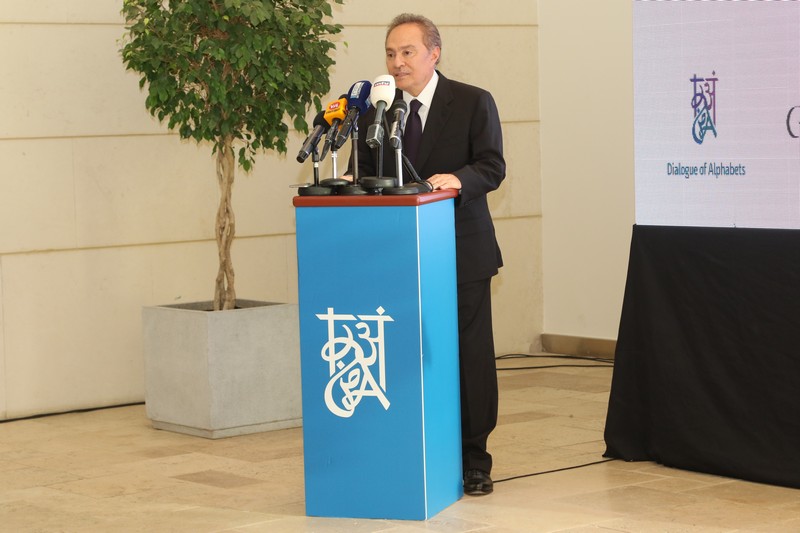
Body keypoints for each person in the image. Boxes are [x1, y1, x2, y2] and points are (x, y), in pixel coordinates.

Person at [347, 13, 505, 496]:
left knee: (467, 356)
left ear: (434, 53)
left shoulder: (473, 101)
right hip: (395, 256)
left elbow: (492, 166)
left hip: (460, 251)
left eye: (407, 52)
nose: (397, 63)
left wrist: (458, 179)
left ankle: (474, 459)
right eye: (390, 54)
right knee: (403, 354)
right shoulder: (376, 113)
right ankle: (410, 447)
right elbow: (364, 175)